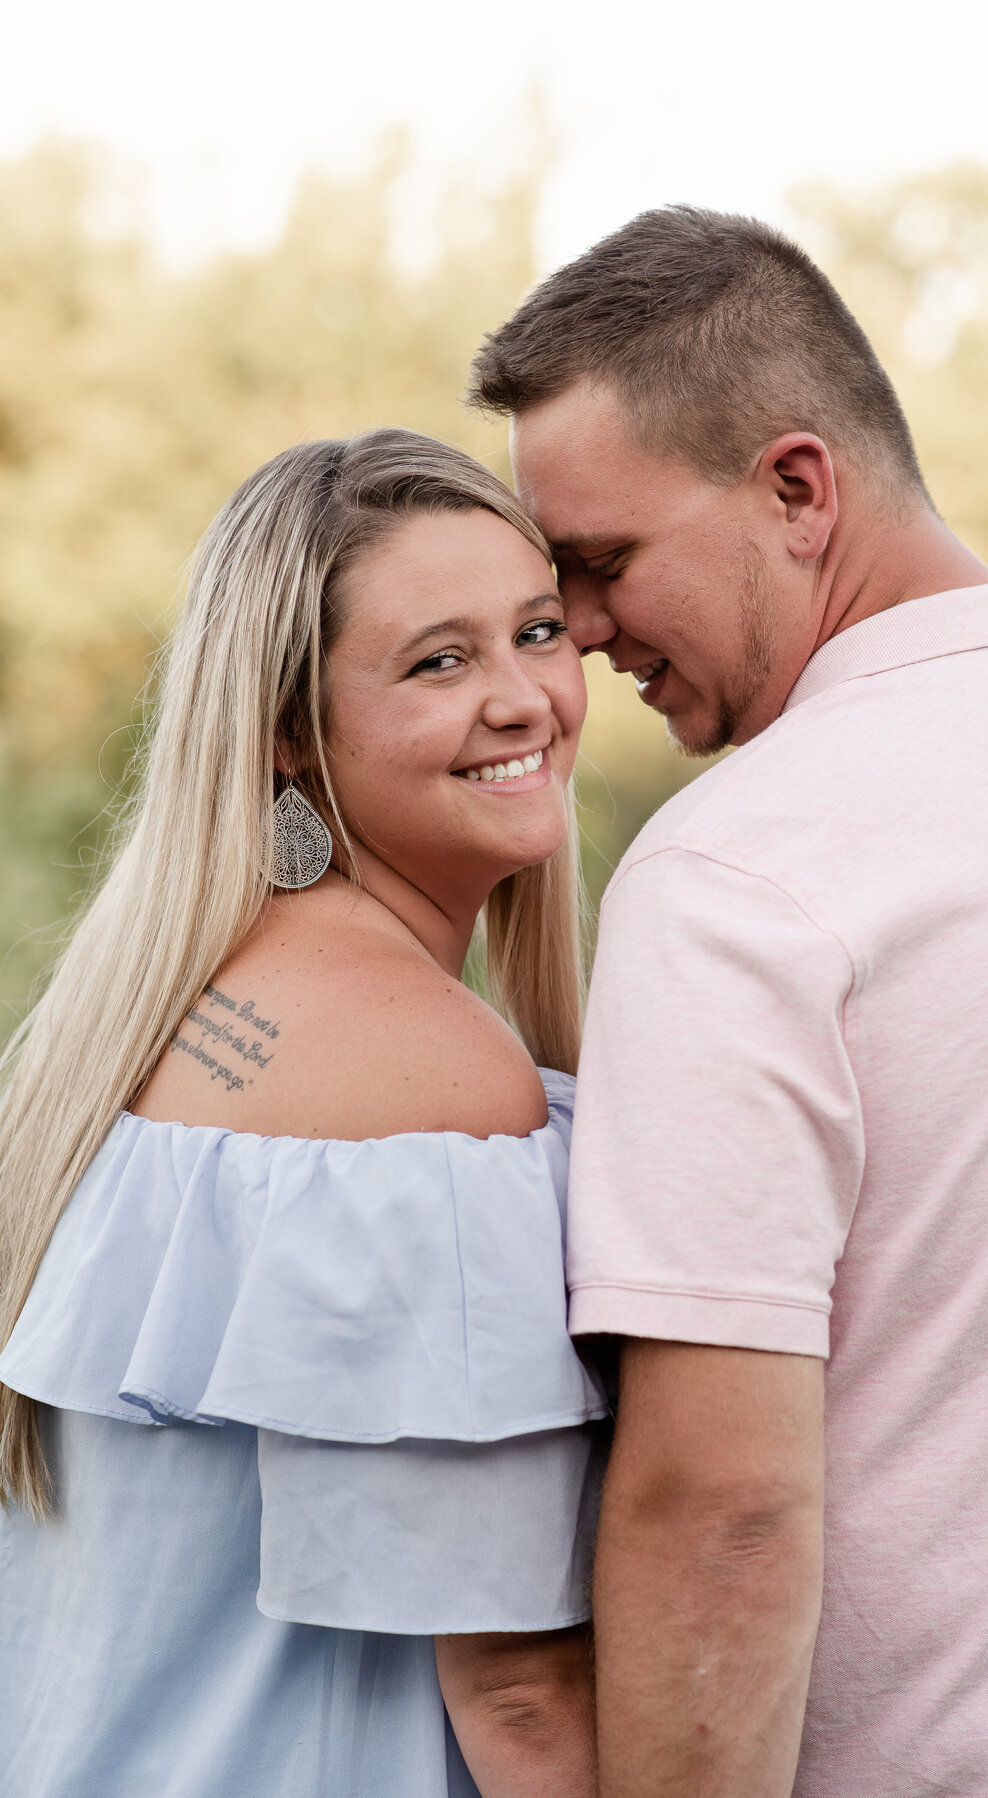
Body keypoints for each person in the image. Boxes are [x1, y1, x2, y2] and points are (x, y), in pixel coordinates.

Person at [467, 206, 988, 1797]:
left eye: (604, 564)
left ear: (799, 490)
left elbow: (717, 1510)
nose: (578, 638)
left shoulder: (739, 870)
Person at [0, 428, 607, 1798]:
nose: (523, 698)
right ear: (289, 728)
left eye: (538, 630)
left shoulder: (133, 1024)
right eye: (439, 660)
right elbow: (516, 1690)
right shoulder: (426, 1090)